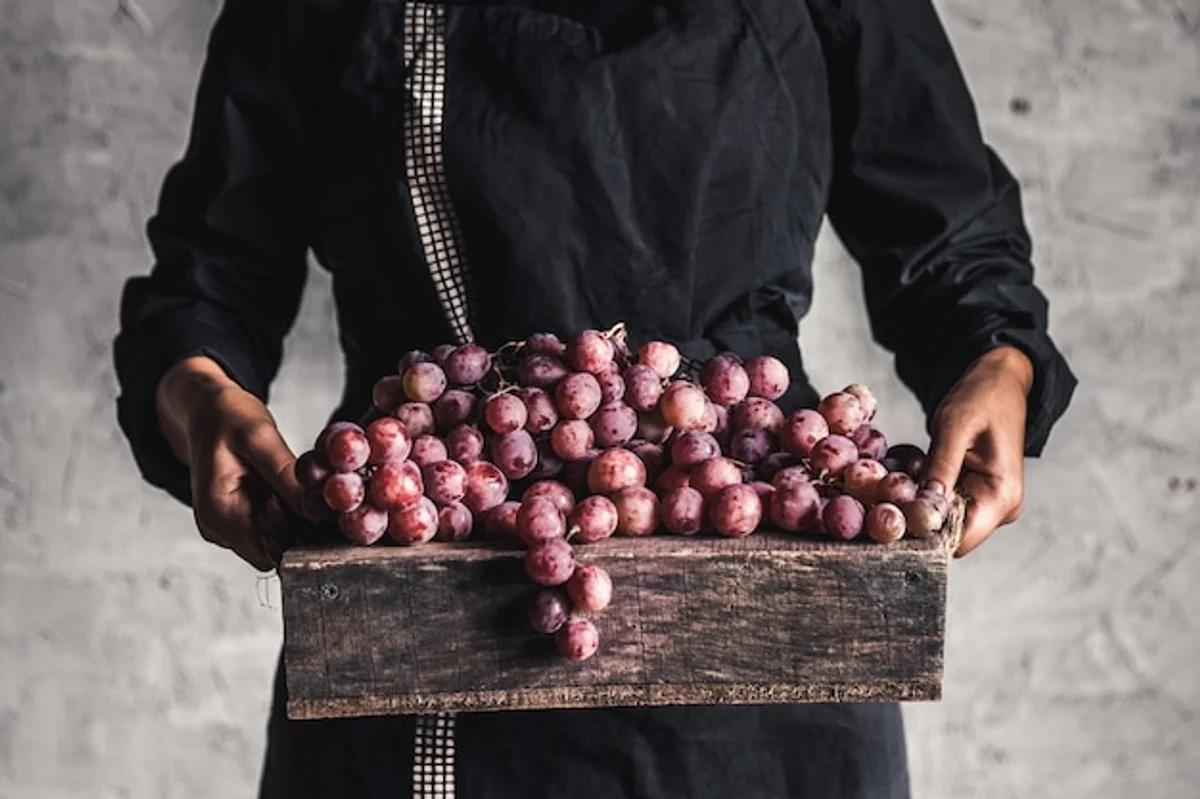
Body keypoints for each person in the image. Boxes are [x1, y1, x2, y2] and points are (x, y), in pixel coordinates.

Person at [113, 0, 1077, 796]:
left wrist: (996, 362)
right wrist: (199, 393)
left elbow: (952, 237)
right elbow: (212, 271)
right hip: (428, 582)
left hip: (762, 586)